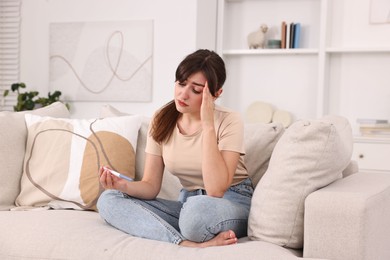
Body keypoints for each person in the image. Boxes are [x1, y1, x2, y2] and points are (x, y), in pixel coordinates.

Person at [97, 49, 253, 248]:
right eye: (181, 83)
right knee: (109, 200)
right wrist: (121, 185)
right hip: (188, 204)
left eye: (196, 90)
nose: (183, 94)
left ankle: (182, 232)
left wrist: (207, 126)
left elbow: (215, 190)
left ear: (216, 94)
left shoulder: (229, 120)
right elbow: (151, 186)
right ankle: (184, 243)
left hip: (230, 202)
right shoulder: (162, 118)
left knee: (196, 214)